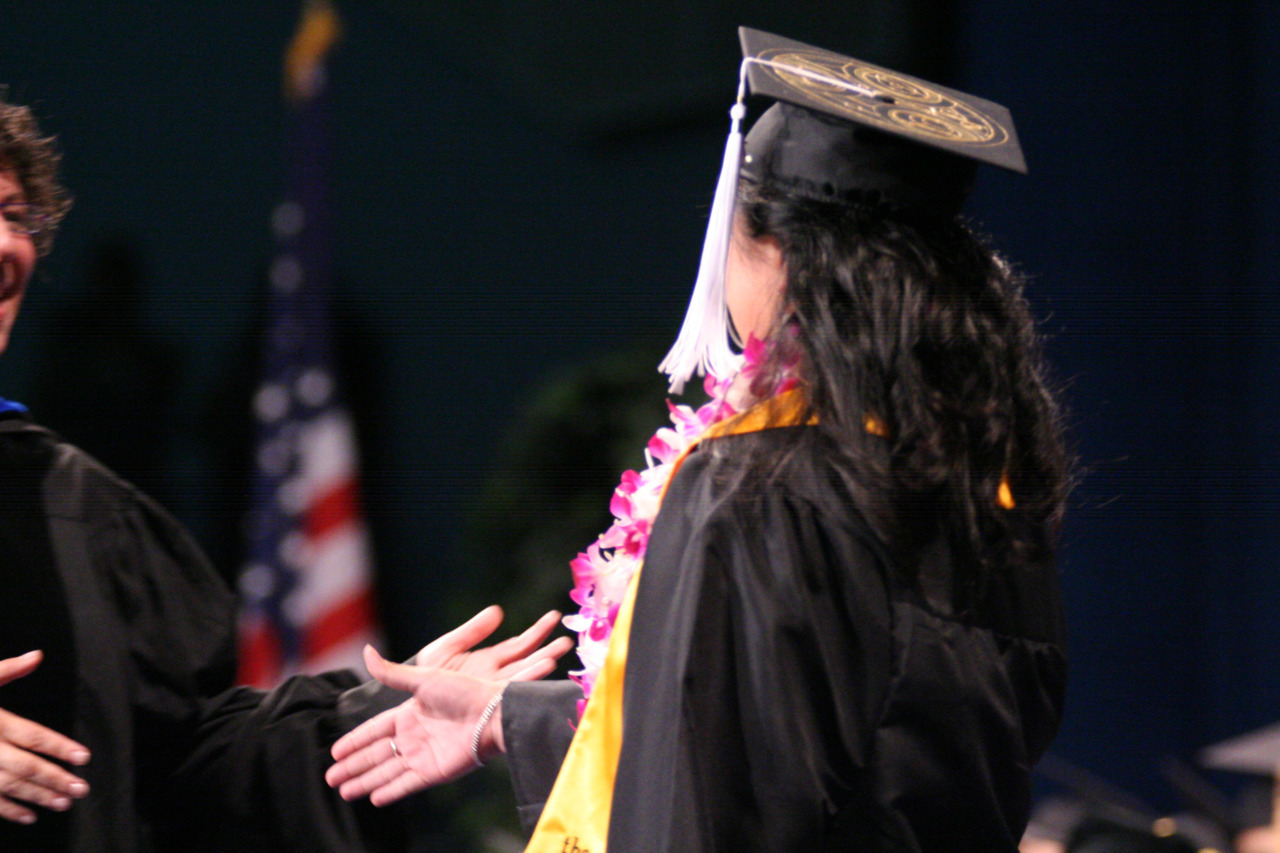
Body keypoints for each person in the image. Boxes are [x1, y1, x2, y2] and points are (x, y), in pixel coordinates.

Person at [327, 27, 1070, 852]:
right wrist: (512, 717)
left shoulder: (753, 493)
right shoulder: (989, 500)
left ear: (783, 257)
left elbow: (708, 795)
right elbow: (813, 754)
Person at [0, 96, 572, 851]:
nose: (6, 244)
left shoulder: (75, 508)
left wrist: (375, 713)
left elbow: (189, 761)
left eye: (15, 214)